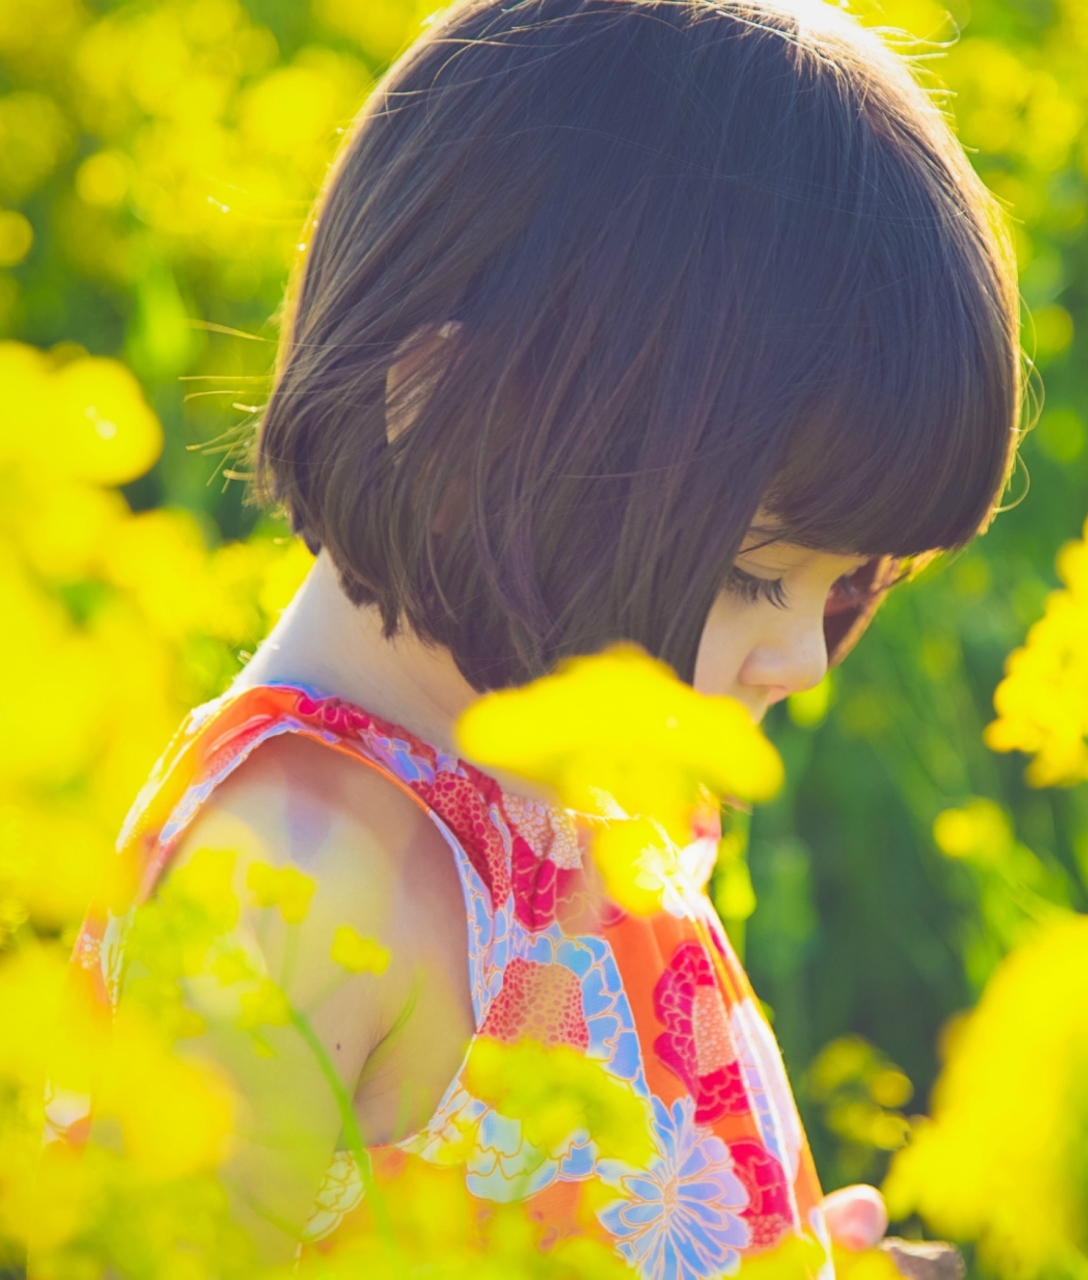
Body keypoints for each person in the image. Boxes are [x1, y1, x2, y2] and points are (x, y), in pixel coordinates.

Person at [61, 0, 1019, 1271]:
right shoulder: (296, 871)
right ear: (452, 421)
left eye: (842, 585)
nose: (803, 658)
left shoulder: (567, 794)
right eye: (748, 573)